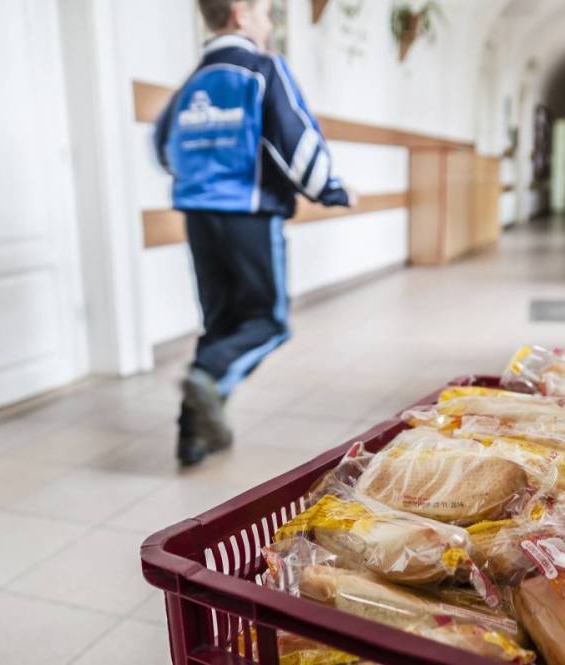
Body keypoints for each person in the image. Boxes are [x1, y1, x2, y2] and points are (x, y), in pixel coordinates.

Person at [154, 0, 352, 466]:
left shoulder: (190, 84)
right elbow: (297, 141)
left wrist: (204, 175)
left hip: (199, 217)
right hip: (250, 216)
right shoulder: (262, 69)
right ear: (240, 14)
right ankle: (205, 375)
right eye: (266, 12)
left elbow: (164, 149)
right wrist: (333, 190)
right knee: (268, 322)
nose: (270, 22)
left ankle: (193, 436)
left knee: (220, 323)